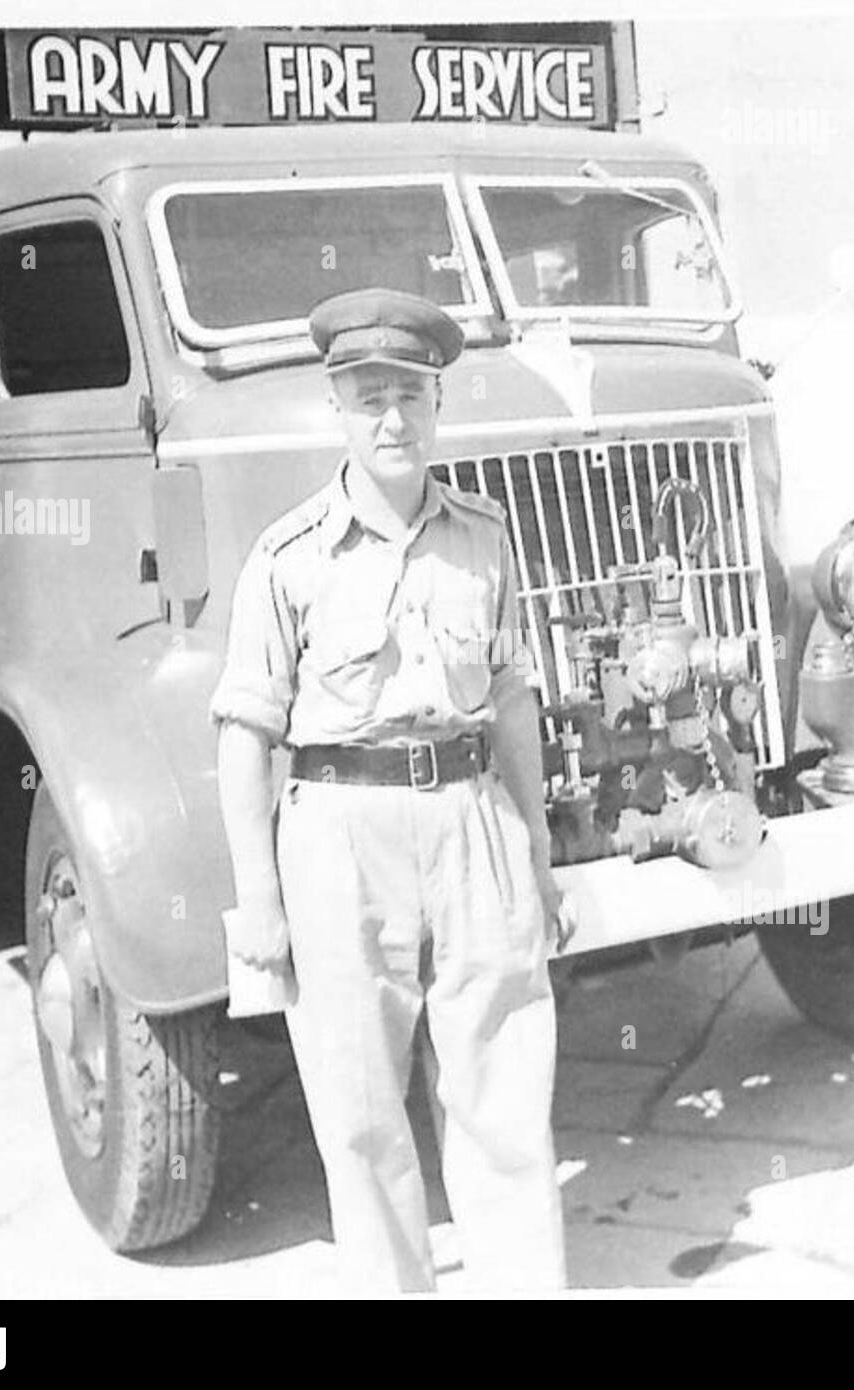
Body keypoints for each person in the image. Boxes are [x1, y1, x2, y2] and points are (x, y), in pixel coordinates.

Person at [208, 287, 569, 1294]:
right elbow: (245, 734)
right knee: (361, 1119)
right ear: (337, 409)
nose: (393, 419)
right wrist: (260, 902)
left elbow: (510, 704)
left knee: (503, 1104)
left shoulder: (484, 538)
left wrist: (537, 857)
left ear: (438, 404)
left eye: (411, 395)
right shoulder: (287, 559)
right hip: (337, 837)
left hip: (470, 826)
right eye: (370, 398)